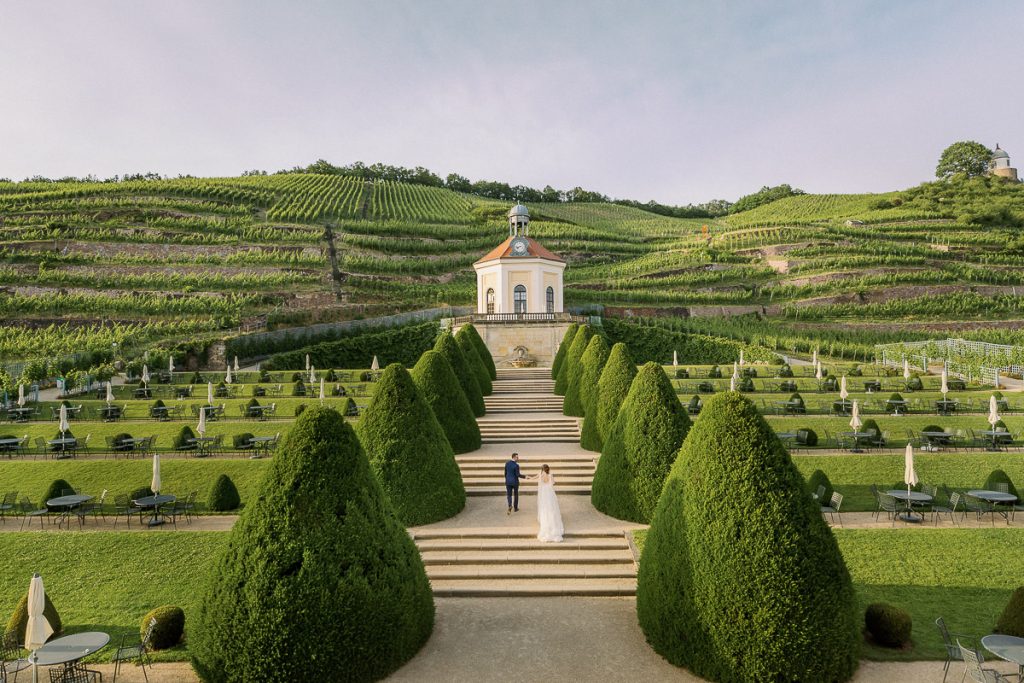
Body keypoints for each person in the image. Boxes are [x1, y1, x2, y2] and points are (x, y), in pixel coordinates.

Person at [534, 464, 564, 543]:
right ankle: (553, 524)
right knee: (552, 507)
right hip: (549, 492)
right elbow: (553, 483)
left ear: (542, 469)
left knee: (544, 508)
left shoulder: (540, 475)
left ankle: (545, 524)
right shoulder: (550, 475)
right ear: (548, 469)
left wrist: (529, 477)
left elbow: (535, 477)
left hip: (543, 493)